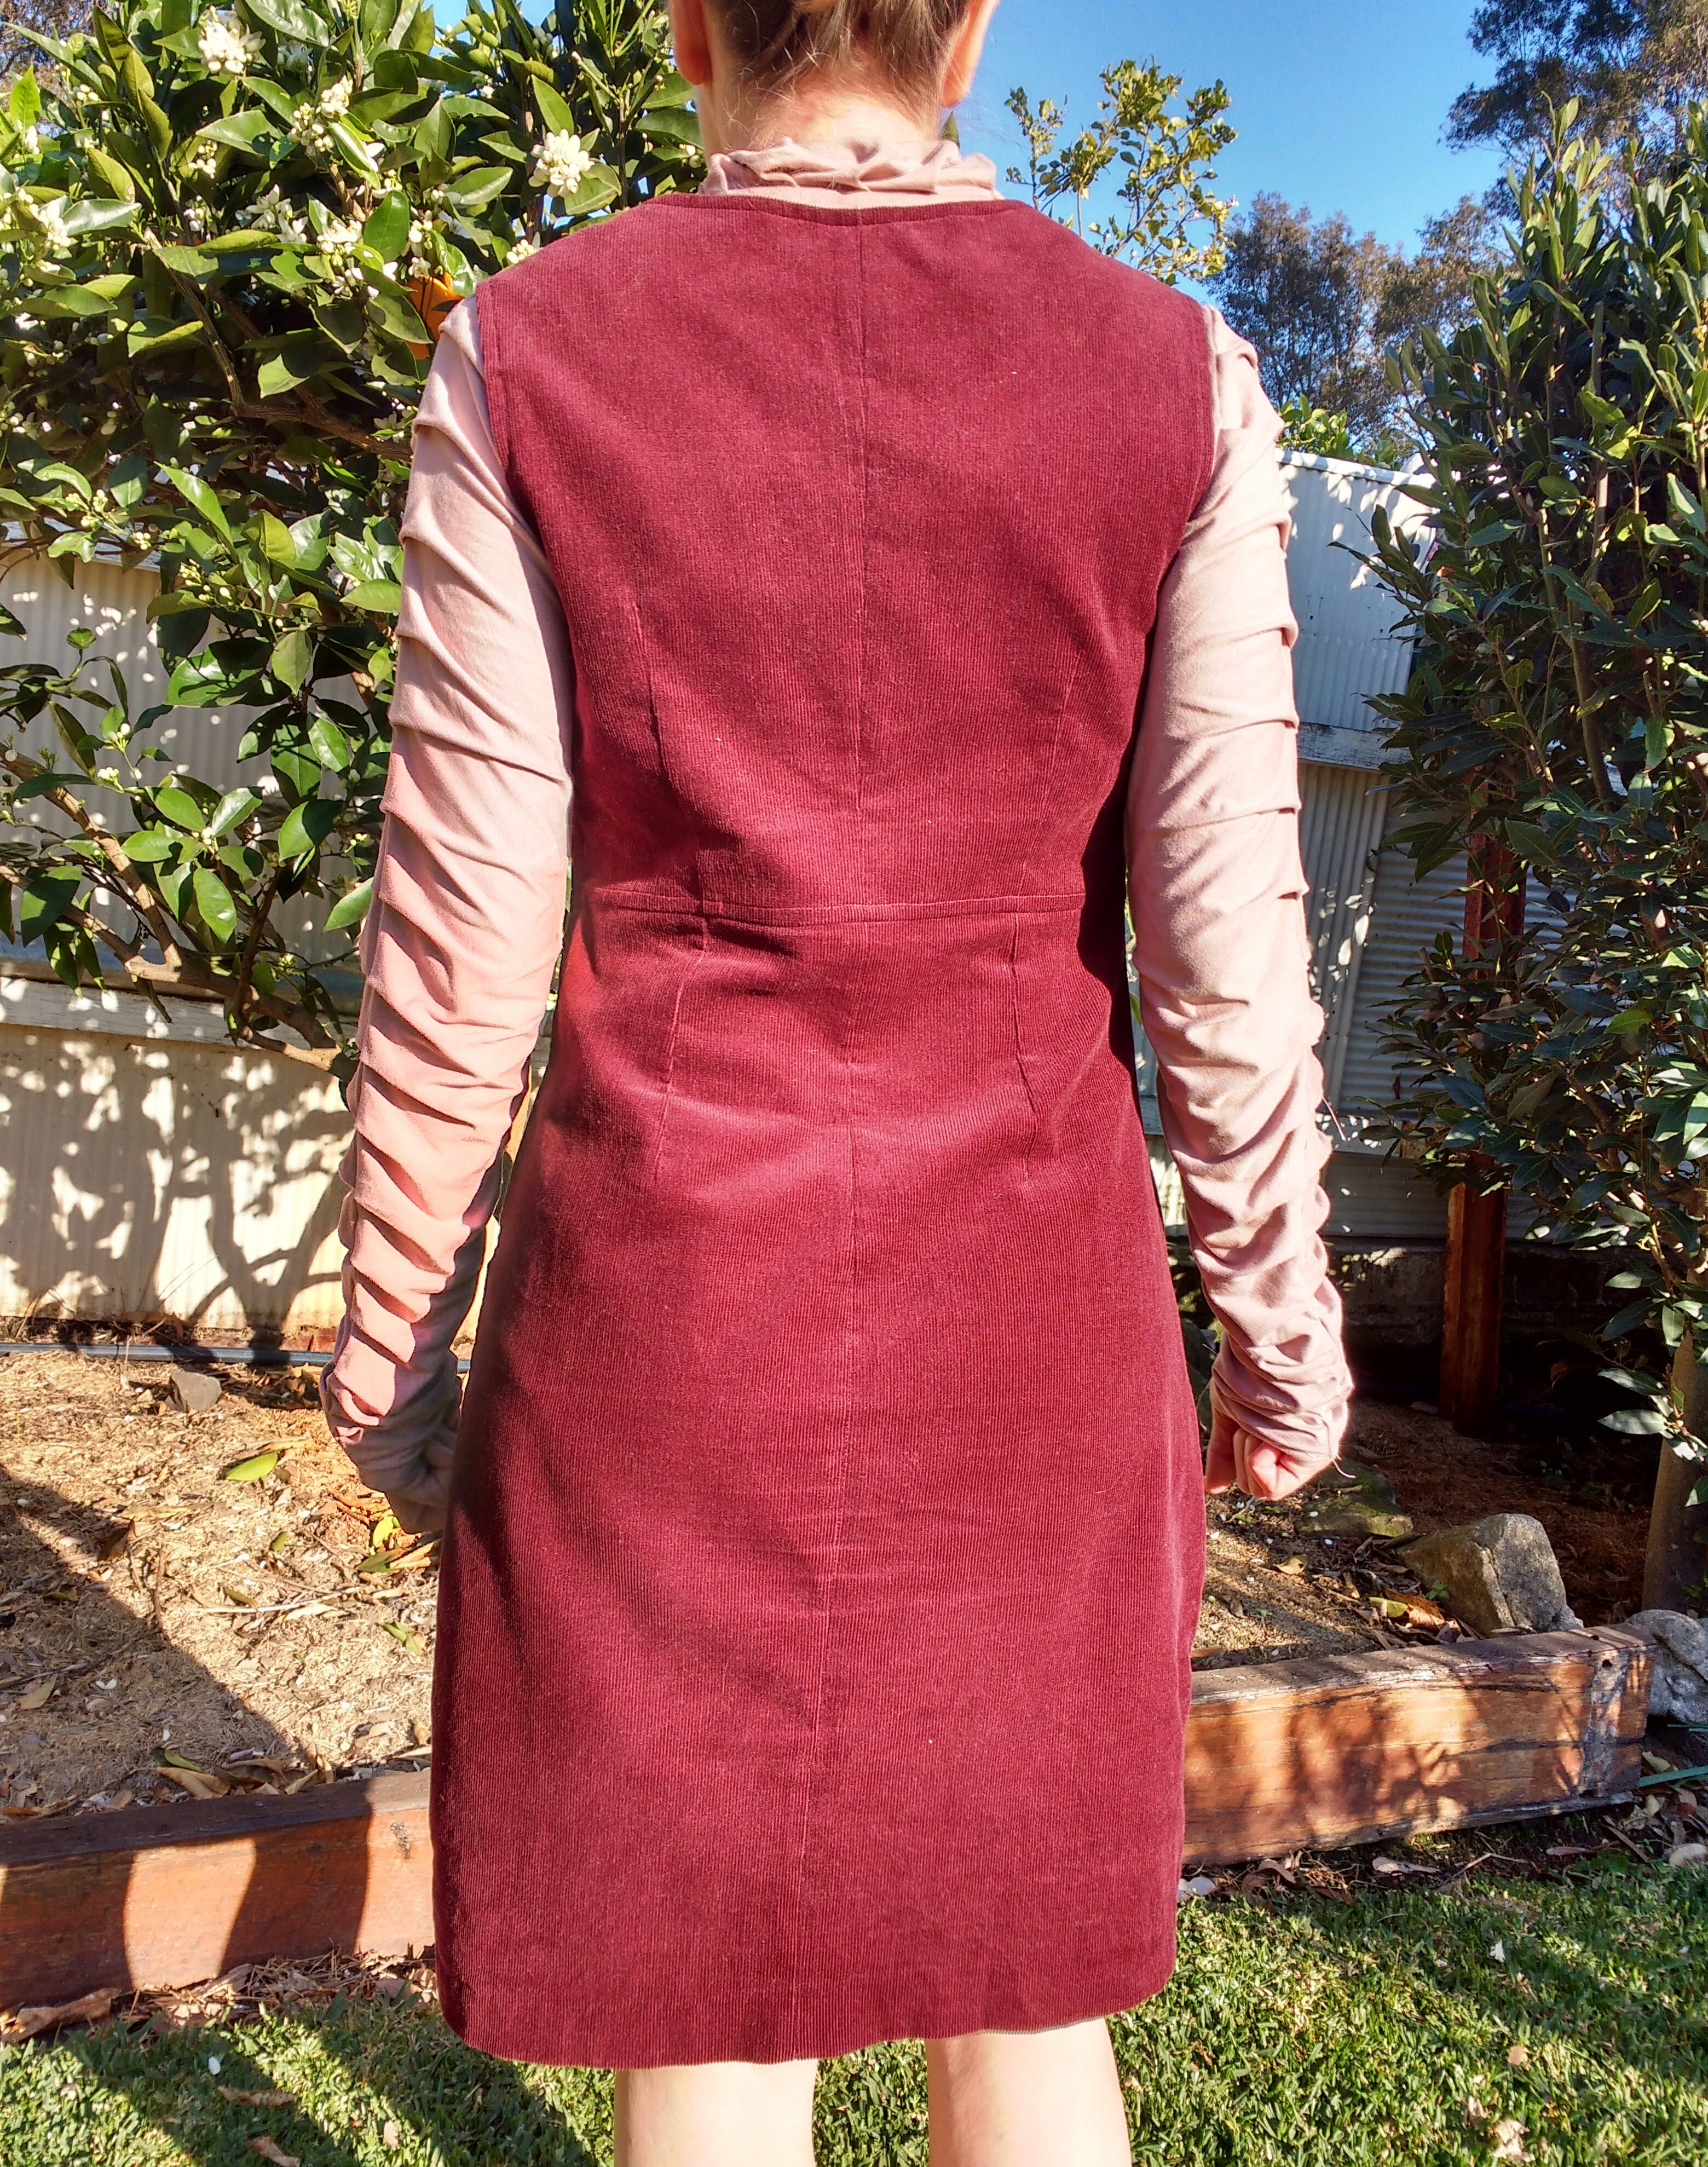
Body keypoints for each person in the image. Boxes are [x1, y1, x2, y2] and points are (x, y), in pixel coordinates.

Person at [320, 0, 1353, 2158]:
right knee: (1023, 1989)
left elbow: (460, 937)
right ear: (967, 30)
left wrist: (390, 1356)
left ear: (689, 24)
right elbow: (1227, 949)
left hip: (669, 1316)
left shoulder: (528, 355)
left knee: (710, 2011)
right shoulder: (1177, 378)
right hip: (1031, 1329)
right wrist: (1280, 1339)